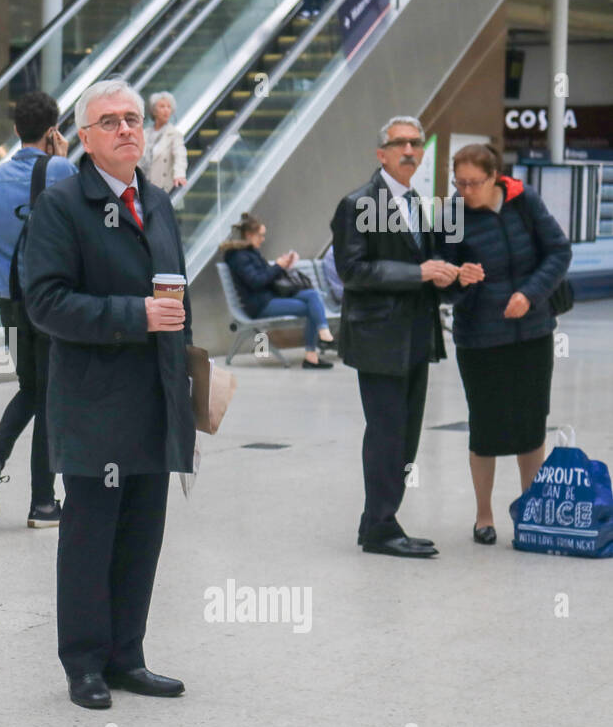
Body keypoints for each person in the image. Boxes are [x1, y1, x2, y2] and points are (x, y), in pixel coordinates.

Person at [23, 78, 194, 709]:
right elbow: (46, 303)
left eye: (132, 118)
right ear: (87, 139)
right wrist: (136, 316)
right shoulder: (64, 205)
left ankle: (128, 656)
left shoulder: (158, 201)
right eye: (110, 122)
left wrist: (187, 374)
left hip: (155, 400)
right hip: (97, 403)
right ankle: (85, 663)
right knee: (91, 539)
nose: (126, 128)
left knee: (143, 535)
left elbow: (176, 294)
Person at [331, 115, 460, 558]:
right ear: (381, 153)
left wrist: (444, 275)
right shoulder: (360, 203)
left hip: (415, 336)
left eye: (416, 143)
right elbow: (352, 271)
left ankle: (378, 521)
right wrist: (418, 272)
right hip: (379, 338)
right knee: (387, 434)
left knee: (406, 435)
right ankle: (382, 526)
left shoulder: (415, 201)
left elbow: (418, 263)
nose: (409, 150)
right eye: (399, 143)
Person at [442, 143, 571, 544]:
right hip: (480, 338)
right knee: (486, 428)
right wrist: (458, 278)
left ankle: (530, 512)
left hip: (532, 333)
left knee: (531, 426)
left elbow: (558, 251)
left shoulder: (524, 201)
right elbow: (441, 284)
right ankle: (484, 516)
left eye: (474, 183)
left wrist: (530, 294)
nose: (465, 191)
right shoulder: (452, 215)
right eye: (458, 183)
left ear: (495, 177)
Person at [0, 91, 77, 528]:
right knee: (51, 395)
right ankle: (43, 503)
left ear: (16, 129)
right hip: (52, 301)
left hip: (9, 300)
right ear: (54, 130)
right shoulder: (63, 171)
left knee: (31, 387)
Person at [220, 212, 335, 367]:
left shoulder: (250, 253)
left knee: (313, 295)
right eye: (260, 235)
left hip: (269, 298)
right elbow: (256, 282)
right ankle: (312, 354)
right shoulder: (239, 257)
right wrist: (278, 266)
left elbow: (266, 276)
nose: (262, 239)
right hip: (259, 305)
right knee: (311, 308)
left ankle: (322, 332)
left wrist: (283, 266)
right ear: (248, 235)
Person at [141, 91, 187, 192]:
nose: (166, 110)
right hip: (143, 187)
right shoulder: (144, 134)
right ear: (153, 110)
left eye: (169, 107)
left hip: (164, 189)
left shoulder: (174, 134)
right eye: (162, 106)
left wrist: (179, 174)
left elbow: (180, 155)